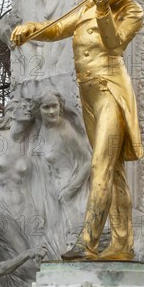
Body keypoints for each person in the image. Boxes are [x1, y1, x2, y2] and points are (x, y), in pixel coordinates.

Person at [11, 0, 144, 261]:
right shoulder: (87, 5)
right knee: (112, 171)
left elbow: (115, 43)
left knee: (100, 163)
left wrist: (102, 10)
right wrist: (32, 29)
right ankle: (122, 245)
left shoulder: (130, 9)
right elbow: (57, 30)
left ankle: (87, 243)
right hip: (87, 94)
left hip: (111, 89)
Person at [0, 99, 57, 287]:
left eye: (29, 108)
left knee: (45, 256)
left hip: (27, 208)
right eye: (23, 108)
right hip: (1, 209)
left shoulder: (31, 143)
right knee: (24, 260)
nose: (28, 110)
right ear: (12, 113)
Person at [32, 89, 91, 251]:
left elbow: (88, 160)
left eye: (54, 106)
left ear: (60, 106)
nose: (51, 111)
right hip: (50, 193)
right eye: (46, 107)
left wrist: (72, 189)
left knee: (73, 244)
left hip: (70, 193)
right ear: (39, 110)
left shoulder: (66, 130)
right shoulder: (40, 130)